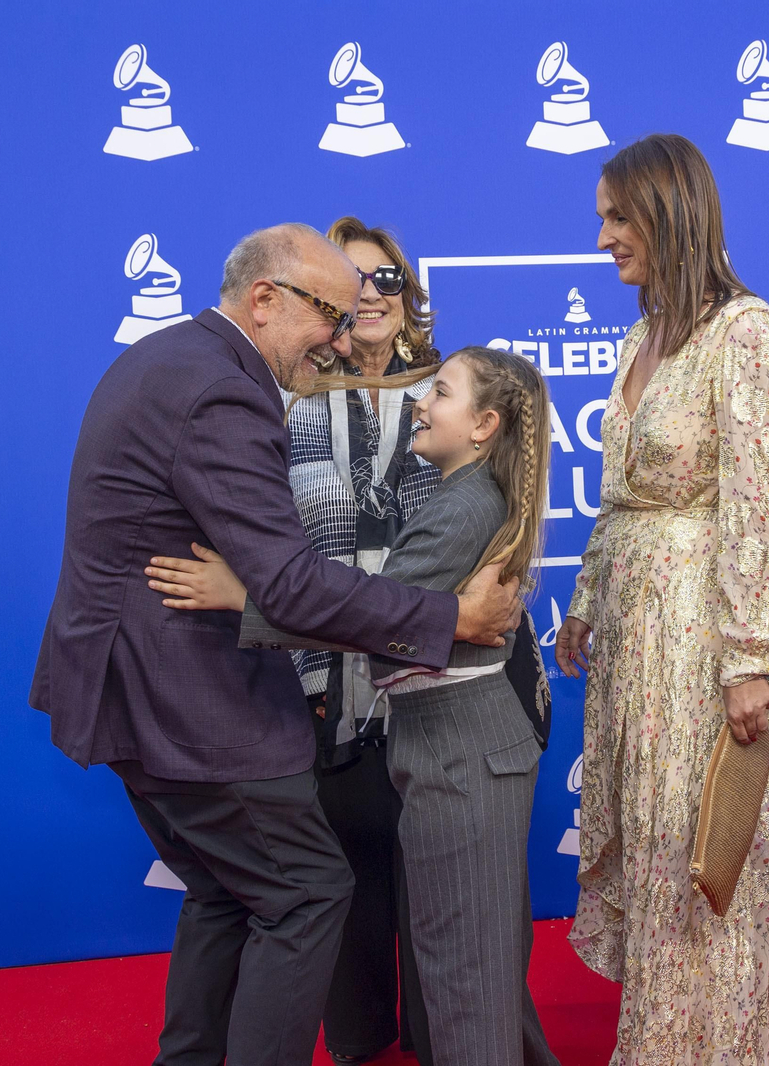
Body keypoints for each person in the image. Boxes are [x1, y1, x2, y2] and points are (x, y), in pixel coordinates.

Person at [29, 223, 522, 1066]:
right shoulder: (224, 392)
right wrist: (450, 620)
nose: (340, 340)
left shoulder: (169, 357)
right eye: (330, 315)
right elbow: (291, 585)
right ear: (265, 299)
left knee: (229, 892)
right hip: (187, 700)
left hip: (131, 688)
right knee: (306, 894)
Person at [146, 346, 560, 1066]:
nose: (420, 404)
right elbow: (386, 618)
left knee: (465, 975)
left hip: (462, 754)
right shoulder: (462, 499)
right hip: (453, 747)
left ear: (485, 425)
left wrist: (242, 599)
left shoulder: (460, 510)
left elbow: (372, 621)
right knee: (467, 963)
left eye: (441, 393)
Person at [554, 133, 769, 1065]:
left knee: (699, 856)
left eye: (619, 217)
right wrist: (585, 598)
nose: (604, 238)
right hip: (633, 638)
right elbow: (620, 496)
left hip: (700, 638)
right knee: (655, 849)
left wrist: (750, 661)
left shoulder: (745, 332)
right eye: (603, 219)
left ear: (669, 212)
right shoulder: (640, 337)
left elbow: (757, 506)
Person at [293, 216, 443, 1065]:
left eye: (387, 278)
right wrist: (311, 673)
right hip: (327, 678)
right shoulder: (288, 404)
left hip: (433, 677)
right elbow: (281, 550)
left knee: (437, 883)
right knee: (344, 883)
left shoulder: (452, 395)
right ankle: (360, 1041)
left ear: (407, 294)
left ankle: (438, 1034)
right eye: (352, 280)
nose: (372, 294)